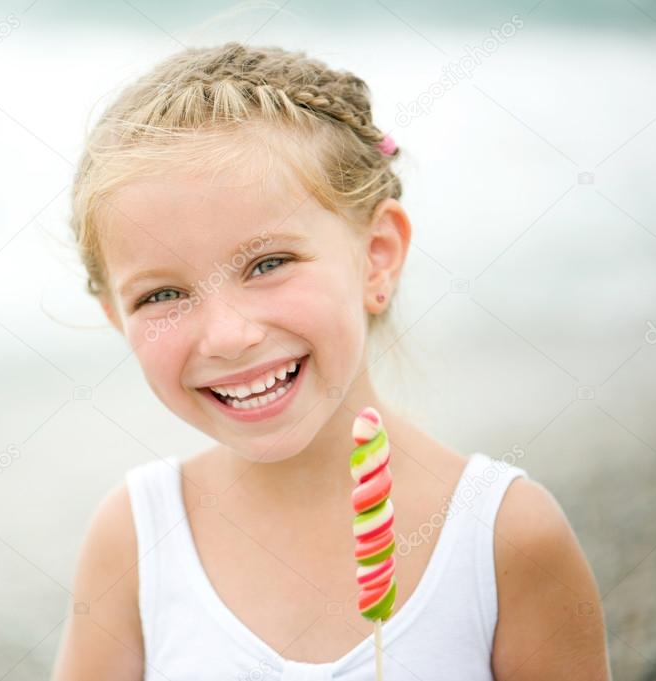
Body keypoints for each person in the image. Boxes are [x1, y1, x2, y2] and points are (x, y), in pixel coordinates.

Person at [51, 41, 609, 680]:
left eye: (268, 264)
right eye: (163, 295)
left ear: (377, 256)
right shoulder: (134, 538)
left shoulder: (505, 538)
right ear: (118, 320)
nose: (228, 336)